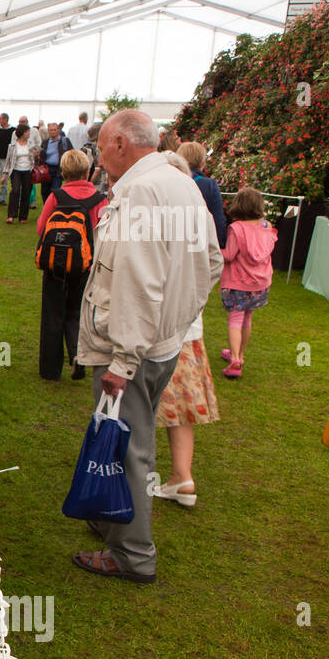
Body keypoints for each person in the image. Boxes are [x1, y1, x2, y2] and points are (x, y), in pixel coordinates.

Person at [71, 109, 223, 584]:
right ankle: (112, 517)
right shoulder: (182, 182)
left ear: (120, 144)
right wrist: (176, 324)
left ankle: (133, 554)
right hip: (164, 343)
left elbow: (138, 283)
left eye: (101, 147)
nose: (98, 156)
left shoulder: (140, 191)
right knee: (124, 436)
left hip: (135, 349)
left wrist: (124, 358)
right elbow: (212, 263)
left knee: (129, 447)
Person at [153, 151, 221, 507]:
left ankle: (150, 481)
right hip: (187, 328)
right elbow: (214, 263)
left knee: (144, 407)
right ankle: (183, 477)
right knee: (179, 411)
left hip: (163, 331)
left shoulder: (156, 214)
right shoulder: (198, 214)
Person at [36, 149, 106, 380]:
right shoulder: (99, 199)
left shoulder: (56, 197)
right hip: (87, 265)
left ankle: (50, 369)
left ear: (63, 173)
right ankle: (79, 357)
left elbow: (41, 229)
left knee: (52, 314)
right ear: (87, 172)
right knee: (79, 312)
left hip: (56, 263)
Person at [219, 187, 276, 379]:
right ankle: (240, 356)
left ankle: (234, 358)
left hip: (239, 282)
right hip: (260, 282)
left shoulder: (236, 229)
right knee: (248, 318)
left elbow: (229, 255)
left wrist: (212, 251)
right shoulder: (267, 227)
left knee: (236, 318)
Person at [176, 141, 227, 248]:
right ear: (202, 162)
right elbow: (218, 219)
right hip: (202, 243)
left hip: (177, 242)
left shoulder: (172, 182)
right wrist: (220, 244)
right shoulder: (209, 185)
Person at [6, 123, 35, 224]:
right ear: (22, 133)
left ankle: (23, 216)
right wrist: (5, 174)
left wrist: (36, 155)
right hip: (16, 170)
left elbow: (35, 157)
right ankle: (11, 215)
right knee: (15, 191)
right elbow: (8, 160)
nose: (29, 133)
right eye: (27, 132)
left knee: (26, 193)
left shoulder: (31, 144)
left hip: (28, 170)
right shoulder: (12, 145)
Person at [42, 122, 73, 193]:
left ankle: (54, 204)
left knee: (55, 191)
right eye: (51, 130)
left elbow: (71, 153)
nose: (53, 132)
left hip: (58, 169)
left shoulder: (64, 141)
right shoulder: (45, 142)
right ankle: (46, 204)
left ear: (58, 130)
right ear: (48, 131)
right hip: (47, 169)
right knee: (44, 191)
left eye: (54, 130)